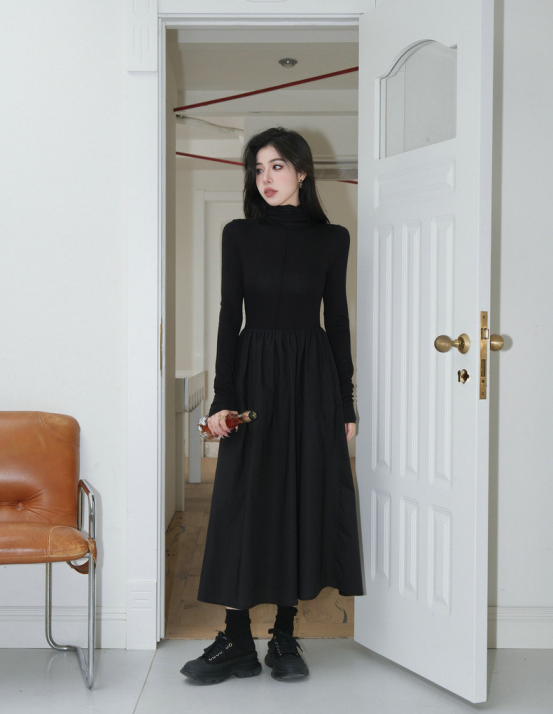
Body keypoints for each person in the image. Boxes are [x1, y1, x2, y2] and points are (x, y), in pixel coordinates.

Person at [180, 127, 364, 685]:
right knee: (242, 499)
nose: (266, 178)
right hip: (254, 376)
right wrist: (223, 396)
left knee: (300, 497)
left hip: (311, 380)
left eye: (277, 166)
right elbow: (227, 317)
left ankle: (284, 634)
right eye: (258, 169)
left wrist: (345, 401)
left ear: (302, 172)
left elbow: (337, 321)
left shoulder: (332, 239)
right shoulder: (238, 234)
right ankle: (236, 637)